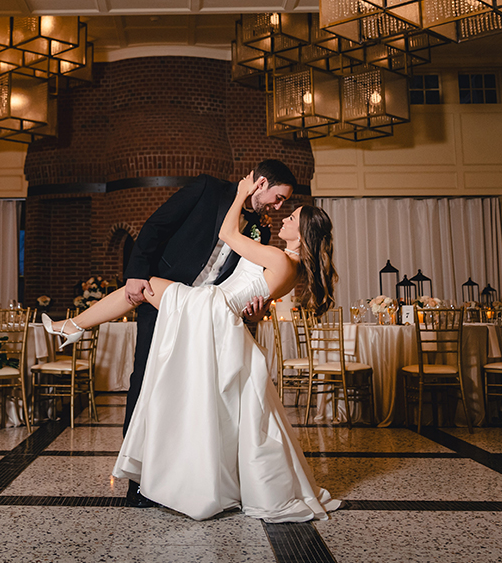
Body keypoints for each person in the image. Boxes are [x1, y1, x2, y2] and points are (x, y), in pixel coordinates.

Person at [43, 172, 340, 522]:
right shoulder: (289, 264)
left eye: (291, 216)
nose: (282, 215)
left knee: (143, 291)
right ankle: (73, 328)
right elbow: (255, 296)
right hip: (216, 314)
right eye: (281, 202)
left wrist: (241, 194)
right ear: (263, 182)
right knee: (179, 390)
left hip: (210, 309)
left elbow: (227, 236)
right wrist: (254, 311)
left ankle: (72, 326)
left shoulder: (277, 257)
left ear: (302, 233)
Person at [119, 159, 296, 507]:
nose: (278, 207)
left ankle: (172, 476)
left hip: (205, 317)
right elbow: (156, 225)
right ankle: (136, 481)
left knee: (185, 393)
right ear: (261, 183)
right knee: (145, 380)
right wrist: (136, 272)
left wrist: (254, 313)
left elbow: (247, 284)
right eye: (278, 198)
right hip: (165, 299)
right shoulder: (208, 189)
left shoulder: (260, 230)